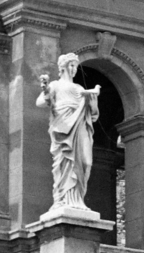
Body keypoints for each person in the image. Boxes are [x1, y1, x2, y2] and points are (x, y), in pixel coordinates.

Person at [36, 53, 101, 211]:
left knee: (86, 162)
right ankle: (63, 199)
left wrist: (92, 102)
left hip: (79, 125)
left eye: (75, 66)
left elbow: (93, 114)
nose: (74, 69)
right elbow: (39, 103)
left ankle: (78, 199)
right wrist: (46, 92)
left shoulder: (79, 88)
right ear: (63, 67)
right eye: (71, 66)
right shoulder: (55, 85)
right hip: (62, 126)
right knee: (65, 161)